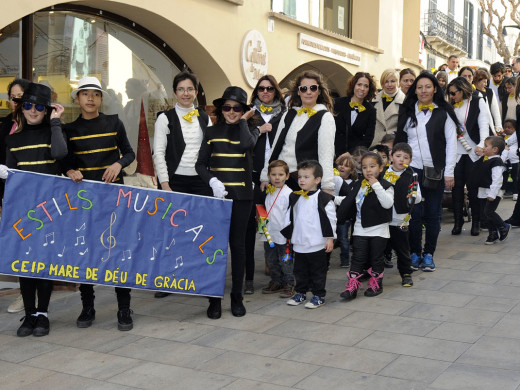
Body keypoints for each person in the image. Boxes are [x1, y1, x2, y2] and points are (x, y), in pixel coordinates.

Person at [63, 76, 136, 331]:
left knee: (118, 251)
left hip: (114, 197)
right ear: (77, 99)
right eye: (85, 94)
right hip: (84, 200)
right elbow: (65, 161)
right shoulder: (68, 130)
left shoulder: (114, 122)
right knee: (87, 253)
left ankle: (124, 308)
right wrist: (71, 170)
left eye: (95, 94)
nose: (90, 98)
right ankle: (87, 306)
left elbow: (129, 152)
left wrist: (118, 164)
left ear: (101, 98)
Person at [1, 82, 67, 336]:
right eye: (27, 105)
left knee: (43, 263)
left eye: (39, 106)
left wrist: (55, 122)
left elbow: (60, 154)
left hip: (50, 209)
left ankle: (43, 314)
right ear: (21, 108)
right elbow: (10, 176)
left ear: (46, 110)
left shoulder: (54, 132)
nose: (32, 110)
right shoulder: (13, 139)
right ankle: (29, 314)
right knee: (25, 265)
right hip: (22, 211)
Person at [195, 86, 262, 318]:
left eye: (236, 108)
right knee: (216, 248)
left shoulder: (251, 131)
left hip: (242, 197)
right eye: (227, 107)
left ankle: (236, 296)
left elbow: (245, 145)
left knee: (239, 247)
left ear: (243, 110)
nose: (231, 111)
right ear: (221, 109)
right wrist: (212, 180)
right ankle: (214, 299)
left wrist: (243, 121)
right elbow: (200, 164)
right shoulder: (211, 132)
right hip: (217, 199)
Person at [152, 70, 212, 299]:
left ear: (196, 92)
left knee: (197, 231)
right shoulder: (164, 118)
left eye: (189, 89)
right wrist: (165, 184)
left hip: (200, 181)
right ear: (174, 92)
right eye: (181, 89)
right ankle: (166, 279)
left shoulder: (204, 117)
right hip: (174, 181)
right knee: (169, 232)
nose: (185, 93)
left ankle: (195, 276)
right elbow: (158, 153)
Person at [395, 72, 458, 272]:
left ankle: (429, 253)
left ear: (435, 89)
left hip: (436, 171)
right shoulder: (408, 111)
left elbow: (451, 144)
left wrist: (449, 172)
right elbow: (401, 140)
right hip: (411, 170)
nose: (423, 91)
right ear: (415, 90)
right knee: (413, 213)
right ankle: (414, 253)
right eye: (419, 87)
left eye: (428, 87)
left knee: (432, 214)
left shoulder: (444, 112)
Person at [260, 70, 336, 194]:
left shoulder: (325, 117)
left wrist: (327, 185)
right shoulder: (289, 114)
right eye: (304, 88)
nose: (308, 92)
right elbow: (276, 147)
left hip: (304, 181)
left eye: (313, 88)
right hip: (280, 179)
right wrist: (265, 176)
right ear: (298, 92)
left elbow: (326, 154)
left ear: (319, 91)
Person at [244, 75, 286, 295]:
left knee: (279, 216)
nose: (265, 92)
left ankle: (281, 265)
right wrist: (258, 130)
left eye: (270, 88)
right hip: (254, 174)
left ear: (276, 91)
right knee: (262, 217)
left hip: (279, 174)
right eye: (261, 89)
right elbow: (243, 140)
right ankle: (269, 257)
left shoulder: (285, 114)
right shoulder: (250, 115)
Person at [337, 152, 394, 301]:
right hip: (360, 228)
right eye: (364, 167)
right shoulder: (359, 185)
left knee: (376, 258)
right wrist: (332, 198)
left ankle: (376, 284)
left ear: (381, 168)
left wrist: (376, 185)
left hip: (379, 230)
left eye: (372, 166)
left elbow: (387, 203)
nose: (368, 170)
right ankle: (353, 286)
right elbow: (350, 200)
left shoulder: (386, 186)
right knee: (357, 258)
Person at [282, 160, 336, 308]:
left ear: (317, 180)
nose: (301, 180)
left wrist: (330, 239)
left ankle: (319, 295)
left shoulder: (324, 199)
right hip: (299, 242)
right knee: (300, 271)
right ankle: (300, 293)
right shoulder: (295, 197)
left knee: (318, 271)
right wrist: (288, 233)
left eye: (306, 177)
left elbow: (331, 220)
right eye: (300, 177)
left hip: (317, 242)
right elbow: (290, 216)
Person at [0, 78, 30, 315]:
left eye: (22, 97)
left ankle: (31, 294)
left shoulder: (39, 124)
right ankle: (25, 291)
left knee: (31, 243)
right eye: (14, 97)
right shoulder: (2, 125)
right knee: (15, 242)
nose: (17, 101)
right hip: (7, 195)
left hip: (35, 195)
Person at [447, 77, 489, 236]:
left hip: (473, 151)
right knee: (456, 189)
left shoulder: (478, 101)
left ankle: (476, 222)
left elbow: (484, 125)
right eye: (449, 93)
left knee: (473, 189)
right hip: (456, 151)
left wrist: (481, 144)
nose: (451, 96)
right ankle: (458, 222)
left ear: (462, 89)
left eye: (453, 93)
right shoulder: (450, 105)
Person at [383, 143, 421, 287]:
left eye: (406, 158)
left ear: (410, 161)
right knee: (378, 247)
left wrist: (413, 194)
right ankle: (373, 272)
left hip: (400, 219)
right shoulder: (383, 173)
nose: (401, 160)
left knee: (402, 248)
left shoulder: (412, 175)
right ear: (391, 157)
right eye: (398, 156)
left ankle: (406, 273)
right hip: (383, 218)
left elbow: (417, 198)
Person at [260, 160, 294, 297]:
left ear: (287, 176)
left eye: (281, 174)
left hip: (283, 235)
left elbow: (291, 215)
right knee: (271, 259)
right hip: (269, 233)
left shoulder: (289, 193)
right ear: (269, 176)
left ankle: (289, 283)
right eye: (273, 174)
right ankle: (276, 281)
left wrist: (290, 233)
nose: (277, 177)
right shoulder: (269, 191)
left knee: (285, 260)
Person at [470, 136, 510, 244]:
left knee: (489, 211)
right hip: (483, 191)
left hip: (492, 192)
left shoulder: (496, 162)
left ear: (495, 149)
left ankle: (503, 227)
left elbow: (497, 179)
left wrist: (493, 193)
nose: (483, 148)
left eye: (486, 146)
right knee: (484, 214)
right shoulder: (487, 159)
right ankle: (493, 234)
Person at [334, 72, 377, 155]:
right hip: (333, 153)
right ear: (353, 85)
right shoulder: (337, 103)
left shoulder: (371, 111)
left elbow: (368, 138)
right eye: (359, 84)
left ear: (369, 89)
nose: (362, 88)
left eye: (366, 86)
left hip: (354, 157)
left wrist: (350, 154)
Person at [333, 153, 358, 268]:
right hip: (333, 214)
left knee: (343, 238)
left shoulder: (353, 184)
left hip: (345, 217)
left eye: (346, 166)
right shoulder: (333, 180)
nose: (342, 167)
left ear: (352, 171)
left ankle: (345, 260)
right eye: (340, 164)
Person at [372, 69, 406, 144]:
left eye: (393, 81)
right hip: (373, 145)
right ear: (382, 84)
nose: (389, 85)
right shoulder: (373, 100)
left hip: (392, 147)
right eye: (386, 82)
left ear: (398, 83)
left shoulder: (404, 102)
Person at [474, 68, 503, 134]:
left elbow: (495, 110)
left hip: (489, 123)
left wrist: (498, 126)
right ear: (477, 81)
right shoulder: (472, 92)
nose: (486, 84)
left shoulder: (490, 92)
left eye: (487, 82)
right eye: (484, 82)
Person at [502, 119, 518, 199]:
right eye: (505, 127)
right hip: (506, 160)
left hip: (515, 160)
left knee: (515, 177)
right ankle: (506, 190)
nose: (507, 129)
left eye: (509, 127)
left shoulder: (516, 135)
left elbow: (506, 143)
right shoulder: (503, 136)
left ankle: (515, 192)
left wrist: (502, 142)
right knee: (505, 177)